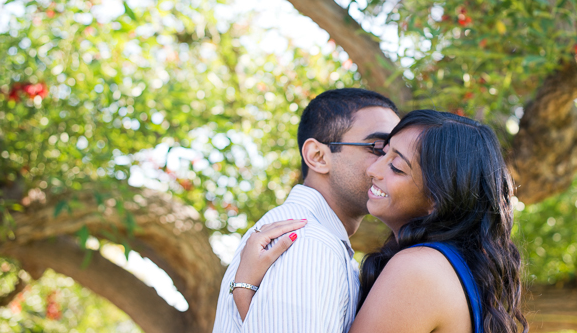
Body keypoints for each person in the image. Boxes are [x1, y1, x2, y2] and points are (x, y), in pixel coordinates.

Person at [233, 110, 527, 333]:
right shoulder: (448, 268)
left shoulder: (419, 269)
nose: (373, 169)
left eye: (397, 167)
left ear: (438, 198)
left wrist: (245, 290)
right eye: (381, 152)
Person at [211, 88, 400, 333]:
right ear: (318, 156)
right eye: (378, 148)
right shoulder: (306, 242)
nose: (390, 165)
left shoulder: (319, 240)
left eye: (396, 155)